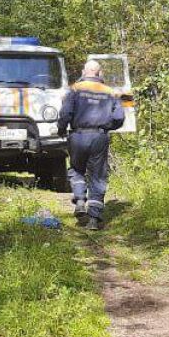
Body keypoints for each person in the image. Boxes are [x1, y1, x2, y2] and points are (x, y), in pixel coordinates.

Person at [58, 60, 125, 230]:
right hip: (99, 137)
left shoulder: (74, 89)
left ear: (83, 71)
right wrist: (106, 127)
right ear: (100, 73)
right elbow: (119, 118)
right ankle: (94, 219)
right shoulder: (111, 92)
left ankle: (80, 201)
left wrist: (61, 129)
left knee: (76, 170)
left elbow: (65, 113)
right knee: (97, 175)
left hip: (78, 136)